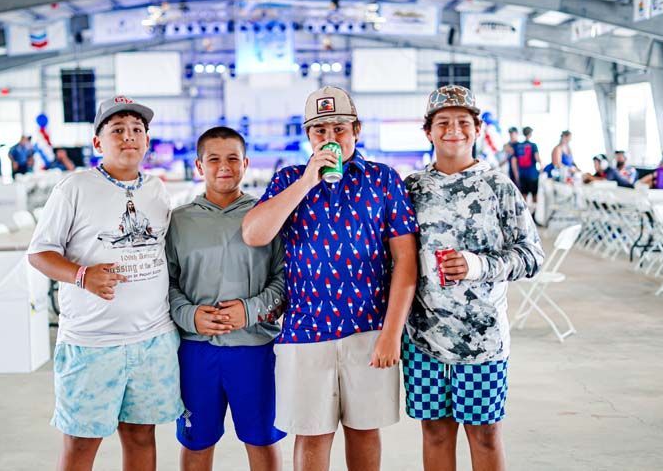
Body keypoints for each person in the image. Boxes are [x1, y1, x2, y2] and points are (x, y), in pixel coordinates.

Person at [242, 86, 418, 471]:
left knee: (365, 431)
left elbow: (405, 261)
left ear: (356, 130)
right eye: (320, 131)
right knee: (310, 434)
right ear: (308, 138)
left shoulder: (384, 179)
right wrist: (307, 180)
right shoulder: (289, 179)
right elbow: (254, 234)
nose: (330, 139)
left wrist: (392, 333)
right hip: (305, 331)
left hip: (369, 330)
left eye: (339, 129)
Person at [27, 96, 183, 471]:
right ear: (98, 142)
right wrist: (82, 275)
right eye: (117, 130)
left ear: (147, 140)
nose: (129, 137)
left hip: (152, 340)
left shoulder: (157, 189)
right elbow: (39, 253)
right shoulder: (75, 187)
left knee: (141, 435)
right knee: (82, 442)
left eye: (137, 130)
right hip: (93, 341)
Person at [403, 85, 544, 471]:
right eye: (443, 122)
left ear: (477, 129)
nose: (454, 130)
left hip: (483, 340)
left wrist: (479, 265)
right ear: (428, 131)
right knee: (434, 430)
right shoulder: (411, 188)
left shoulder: (499, 187)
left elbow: (532, 255)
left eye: (464, 122)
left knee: (484, 434)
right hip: (422, 339)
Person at [167, 126, 286, 471]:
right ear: (199, 166)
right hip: (195, 351)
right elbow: (167, 283)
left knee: (261, 440)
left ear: (246, 163)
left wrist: (250, 311)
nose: (224, 166)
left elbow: (284, 279)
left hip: (255, 350)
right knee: (196, 440)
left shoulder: (266, 215)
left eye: (233, 158)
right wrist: (190, 316)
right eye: (214, 159)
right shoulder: (178, 221)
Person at [512, 126, 541, 208]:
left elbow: (514, 162)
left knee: (523, 196)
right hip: (533, 174)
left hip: (522, 174)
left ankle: (524, 214)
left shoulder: (517, 146)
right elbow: (537, 158)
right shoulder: (533, 145)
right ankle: (534, 216)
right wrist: (542, 167)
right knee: (534, 195)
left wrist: (516, 175)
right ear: (530, 134)